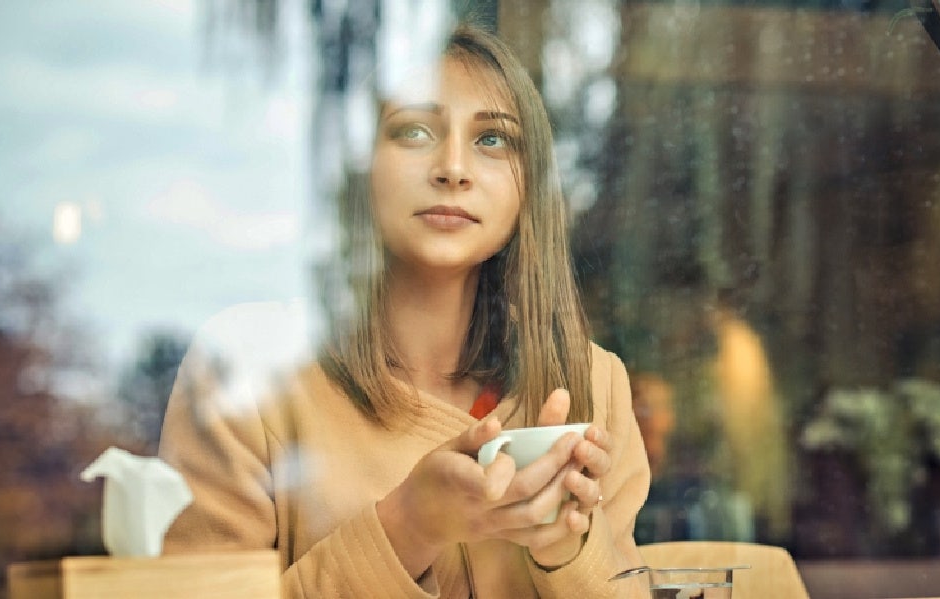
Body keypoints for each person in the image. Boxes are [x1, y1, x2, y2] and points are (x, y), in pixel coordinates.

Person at [157, 22, 651, 598]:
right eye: (414, 131)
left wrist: (567, 547)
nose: (453, 168)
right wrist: (408, 526)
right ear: (361, 167)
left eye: (493, 140)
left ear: (531, 187)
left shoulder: (594, 384)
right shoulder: (244, 373)